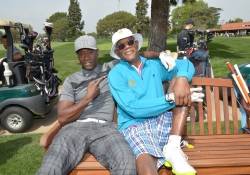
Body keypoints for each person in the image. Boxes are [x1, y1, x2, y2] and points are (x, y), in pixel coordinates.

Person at [108, 28, 203, 175]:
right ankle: (172, 147)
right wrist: (170, 99)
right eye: (121, 46)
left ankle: (173, 146)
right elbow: (133, 108)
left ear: (137, 43)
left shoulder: (154, 65)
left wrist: (183, 78)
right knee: (145, 159)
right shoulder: (116, 74)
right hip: (135, 126)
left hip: (162, 121)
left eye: (130, 42)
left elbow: (186, 65)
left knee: (180, 81)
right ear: (118, 51)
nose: (127, 47)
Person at [37, 35, 136, 175]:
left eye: (90, 52)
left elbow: (136, 56)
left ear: (97, 52)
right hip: (75, 128)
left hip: (106, 129)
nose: (86, 57)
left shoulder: (111, 69)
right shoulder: (71, 80)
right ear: (77, 57)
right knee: (51, 167)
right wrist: (87, 98)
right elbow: (63, 118)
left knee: (126, 162)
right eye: (81, 53)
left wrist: (160, 55)